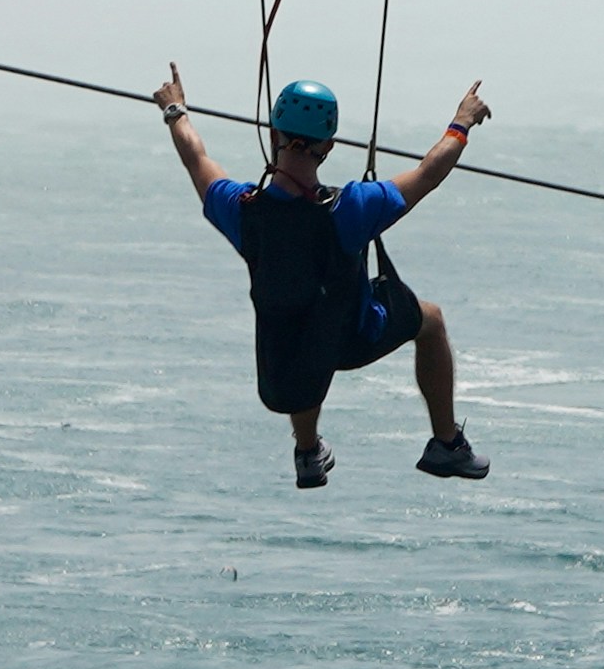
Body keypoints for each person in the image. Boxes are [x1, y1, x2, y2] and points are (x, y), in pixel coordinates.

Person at [154, 65, 489, 489]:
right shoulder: (351, 208)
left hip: (290, 353)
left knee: (296, 319)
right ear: (328, 146)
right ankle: (446, 443)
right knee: (431, 320)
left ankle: (308, 450)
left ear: (274, 134)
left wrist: (175, 109)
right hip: (357, 334)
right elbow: (428, 174)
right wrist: (462, 122)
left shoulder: (242, 210)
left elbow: (196, 159)